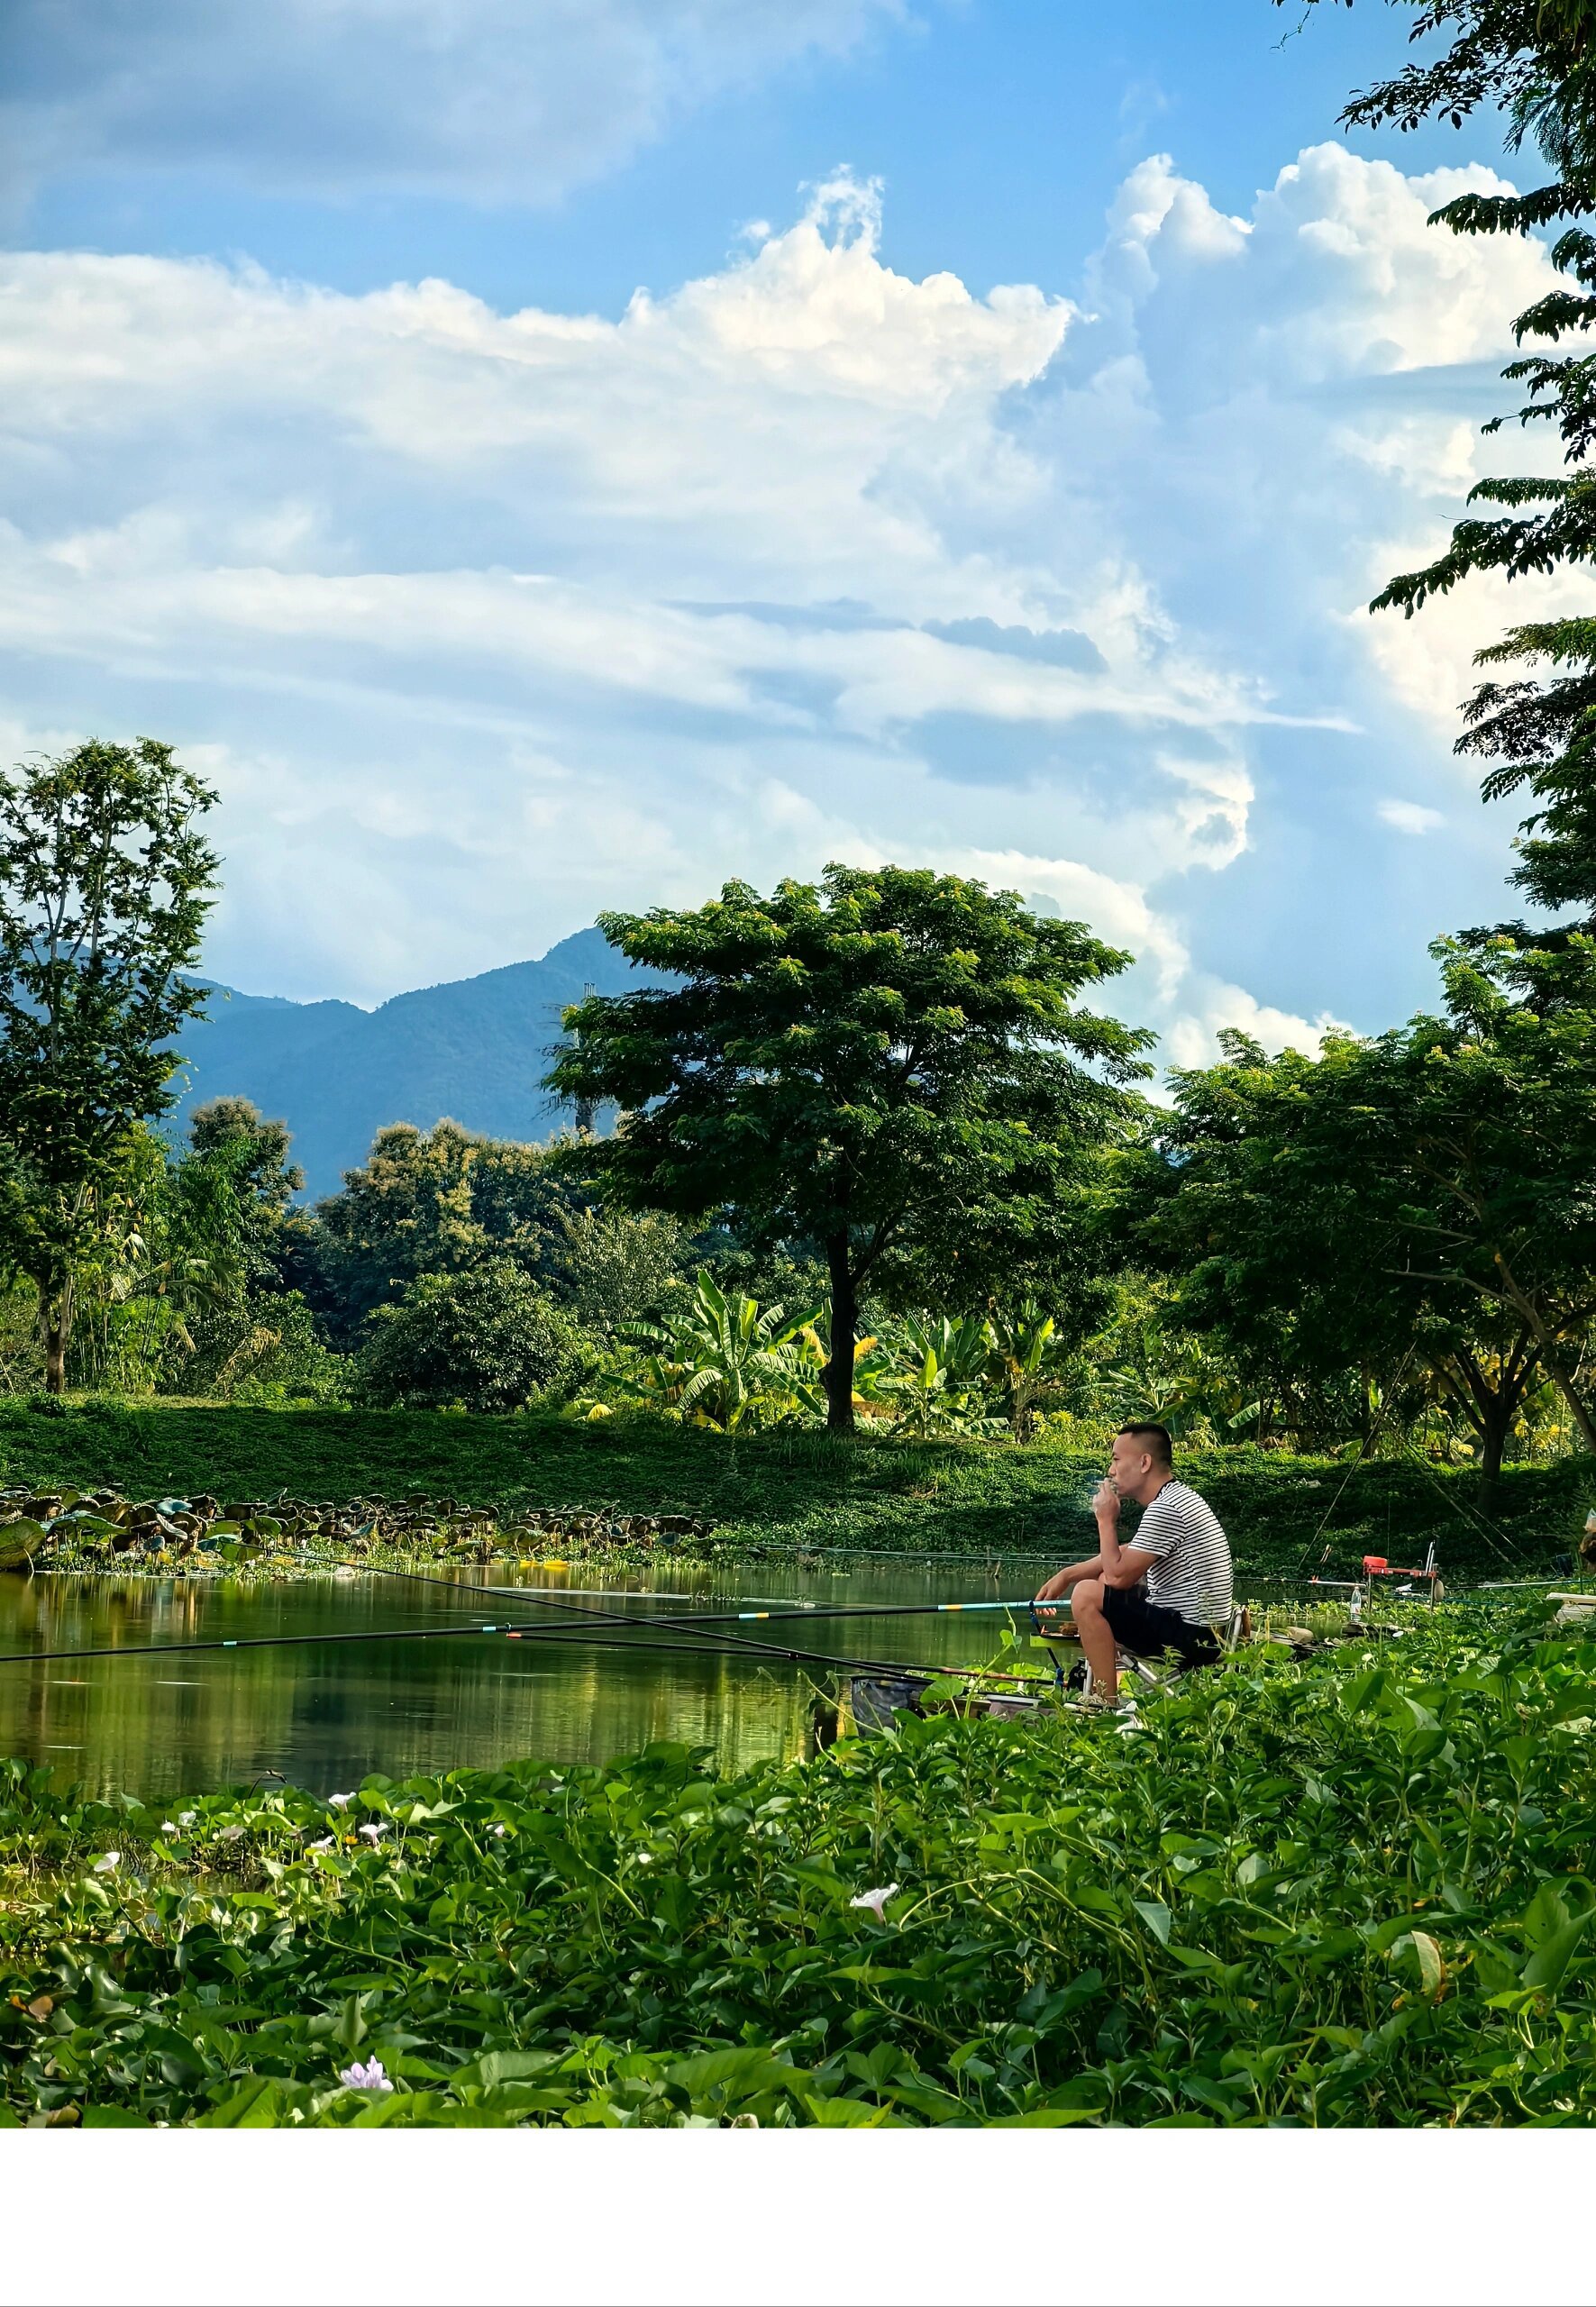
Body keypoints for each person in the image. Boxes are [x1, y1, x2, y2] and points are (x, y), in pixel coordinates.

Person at [1034, 1423, 1233, 1701]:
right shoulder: (1176, 1499)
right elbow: (1126, 1554)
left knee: (1088, 1595)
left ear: (1144, 1462)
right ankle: (1108, 1685)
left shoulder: (1167, 1508)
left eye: (1116, 1459)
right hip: (1204, 1633)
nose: (1111, 1470)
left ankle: (1104, 1703)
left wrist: (1105, 1519)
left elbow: (1118, 1576)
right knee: (1100, 1585)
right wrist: (1067, 1575)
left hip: (1193, 1638)